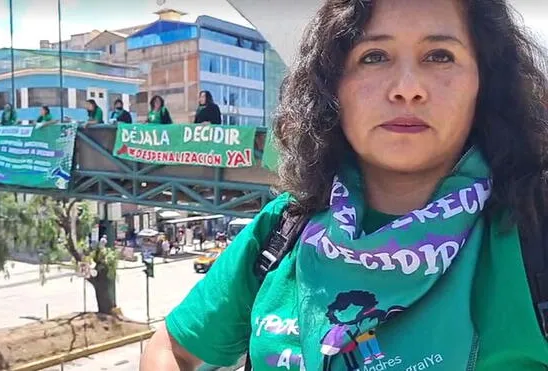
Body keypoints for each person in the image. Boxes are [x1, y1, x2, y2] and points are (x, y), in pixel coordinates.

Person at [141, 1, 548, 370]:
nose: (407, 87)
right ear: (332, 87)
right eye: (374, 56)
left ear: (485, 81)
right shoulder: (284, 228)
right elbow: (171, 348)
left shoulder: (532, 232)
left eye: (439, 56)